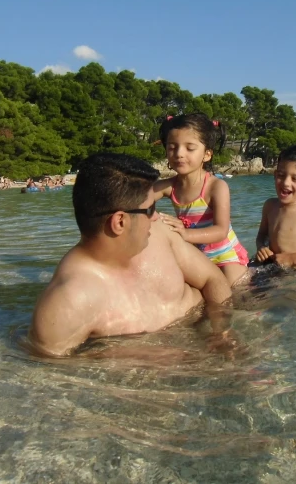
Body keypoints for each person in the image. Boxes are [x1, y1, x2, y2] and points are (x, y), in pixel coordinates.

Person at [28, 153, 235, 357]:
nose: (156, 217)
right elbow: (53, 372)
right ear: (120, 222)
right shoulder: (66, 305)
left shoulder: (160, 234)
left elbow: (212, 278)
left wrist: (222, 331)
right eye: (150, 209)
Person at [153, 113, 249, 287]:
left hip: (225, 256)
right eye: (172, 147)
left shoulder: (216, 187)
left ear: (207, 155)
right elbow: (138, 199)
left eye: (189, 148)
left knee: (235, 296)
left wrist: (185, 234)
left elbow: (221, 230)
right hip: (195, 257)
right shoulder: (170, 186)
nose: (179, 154)